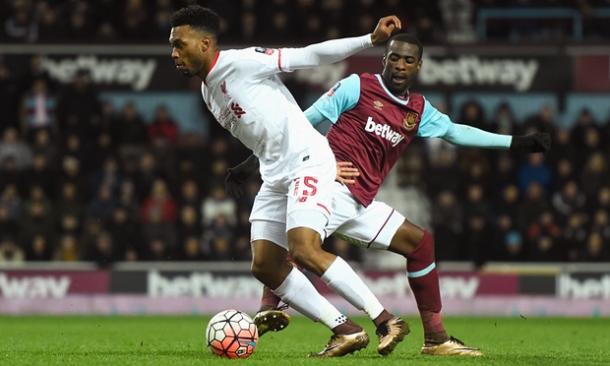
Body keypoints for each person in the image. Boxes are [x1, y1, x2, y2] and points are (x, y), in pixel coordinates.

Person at [226, 33, 551, 356]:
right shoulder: (357, 87)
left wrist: (516, 142)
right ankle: (283, 305)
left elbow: (456, 132)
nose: (400, 65)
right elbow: (303, 122)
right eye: (394, 57)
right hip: (329, 184)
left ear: (418, 66)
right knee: (303, 246)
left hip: (359, 200)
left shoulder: (418, 110)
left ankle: (436, 340)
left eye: (408, 60)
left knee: (420, 244)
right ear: (384, 60)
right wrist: (252, 162)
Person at [169, 5, 408, 357]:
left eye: (180, 44)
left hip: (307, 162)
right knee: (265, 264)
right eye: (171, 46)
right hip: (276, 174)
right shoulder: (208, 91)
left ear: (205, 44)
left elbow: (310, 55)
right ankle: (344, 329)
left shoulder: (243, 62)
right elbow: (267, 131)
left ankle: (386, 319)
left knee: (304, 249)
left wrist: (370, 40)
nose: (174, 53)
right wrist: (247, 167)